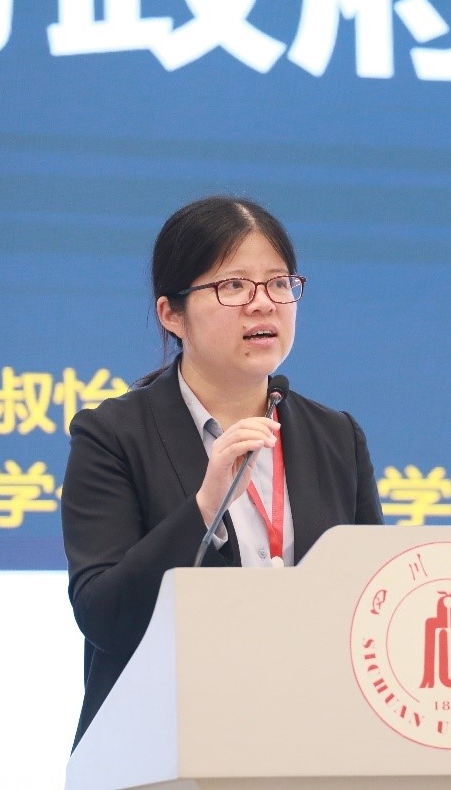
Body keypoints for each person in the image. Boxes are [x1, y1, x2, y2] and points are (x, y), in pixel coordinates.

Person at [60, 195, 384, 750]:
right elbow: (106, 618)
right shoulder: (113, 435)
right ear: (171, 314)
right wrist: (204, 507)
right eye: (233, 286)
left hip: (312, 744)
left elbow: (373, 605)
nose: (263, 305)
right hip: (166, 747)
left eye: (278, 283)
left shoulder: (336, 436)